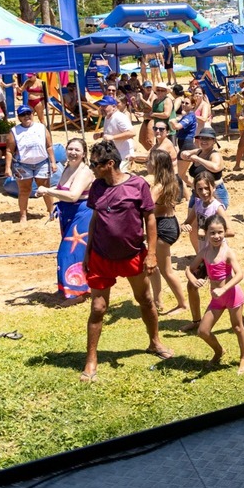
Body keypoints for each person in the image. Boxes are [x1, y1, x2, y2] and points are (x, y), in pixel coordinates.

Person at [80, 140, 173, 382]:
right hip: (101, 256)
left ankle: (155, 342)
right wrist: (87, 252)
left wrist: (151, 254)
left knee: (145, 299)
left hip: (133, 255)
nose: (91, 167)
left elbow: (150, 219)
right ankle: (91, 359)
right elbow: (94, 220)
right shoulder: (97, 187)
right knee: (98, 308)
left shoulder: (137, 185)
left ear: (109, 164)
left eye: (95, 164)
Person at [187, 214, 244, 374]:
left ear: (225, 232)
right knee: (203, 331)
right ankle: (219, 351)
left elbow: (239, 274)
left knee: (237, 327)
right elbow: (189, 268)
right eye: (212, 233)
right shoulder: (204, 253)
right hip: (217, 300)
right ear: (206, 233)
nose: (216, 236)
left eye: (220, 232)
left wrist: (223, 289)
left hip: (232, 295)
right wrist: (193, 280)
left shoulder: (228, 252)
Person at [36, 137, 94, 299]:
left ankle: (77, 292)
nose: (73, 153)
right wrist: (48, 190)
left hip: (81, 216)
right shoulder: (68, 167)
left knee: (69, 253)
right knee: (72, 252)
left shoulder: (84, 172)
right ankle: (70, 288)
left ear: (84, 154)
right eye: (70, 149)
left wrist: (48, 191)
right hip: (68, 215)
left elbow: (74, 195)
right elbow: (64, 188)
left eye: (77, 150)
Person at [181, 171, 234, 332]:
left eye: (206, 188)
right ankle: (197, 321)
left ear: (213, 187)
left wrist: (208, 233)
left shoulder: (217, 207)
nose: (204, 192)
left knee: (227, 292)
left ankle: (238, 323)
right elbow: (187, 222)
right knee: (192, 286)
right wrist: (185, 226)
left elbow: (230, 231)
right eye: (200, 189)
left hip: (217, 256)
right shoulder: (197, 204)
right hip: (203, 254)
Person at [145, 149, 187, 316]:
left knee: (166, 270)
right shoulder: (170, 181)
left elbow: (146, 206)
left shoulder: (158, 187)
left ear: (157, 165)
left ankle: (183, 304)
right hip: (170, 223)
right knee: (154, 266)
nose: (146, 164)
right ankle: (158, 301)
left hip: (162, 227)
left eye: (149, 161)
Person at [5, 105, 56, 223]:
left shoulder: (41, 127)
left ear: (33, 114)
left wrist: (53, 162)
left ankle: (51, 212)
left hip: (41, 162)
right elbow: (9, 151)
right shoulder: (14, 131)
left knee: (45, 189)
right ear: (19, 117)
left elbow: (49, 146)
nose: (26, 116)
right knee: (24, 190)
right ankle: (23, 215)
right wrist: (7, 167)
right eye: (23, 114)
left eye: (28, 113)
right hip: (23, 164)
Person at [181, 127, 228, 208]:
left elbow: (215, 167)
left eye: (207, 139)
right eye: (202, 138)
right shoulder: (199, 151)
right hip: (198, 192)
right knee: (192, 219)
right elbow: (183, 154)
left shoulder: (214, 155)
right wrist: (185, 154)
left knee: (214, 218)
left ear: (213, 141)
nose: (204, 141)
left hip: (214, 192)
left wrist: (198, 159)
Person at [93, 96, 135, 171]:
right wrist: (101, 135)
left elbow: (132, 133)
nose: (102, 108)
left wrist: (112, 137)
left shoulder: (119, 117)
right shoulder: (107, 117)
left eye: (105, 106)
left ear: (113, 106)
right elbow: (112, 131)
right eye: (101, 106)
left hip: (124, 154)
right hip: (114, 154)